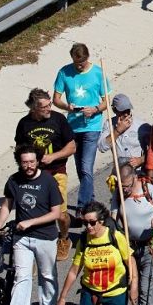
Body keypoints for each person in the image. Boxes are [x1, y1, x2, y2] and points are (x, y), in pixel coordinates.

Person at [0, 145, 64, 305]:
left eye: (32, 162)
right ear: (19, 162)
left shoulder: (48, 181)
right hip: (22, 238)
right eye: (24, 162)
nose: (28, 166)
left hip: (45, 237)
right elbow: (7, 203)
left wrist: (30, 222)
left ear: (38, 161)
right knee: (21, 276)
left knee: (47, 275)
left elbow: (56, 213)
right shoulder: (14, 180)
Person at [52, 42, 111, 211]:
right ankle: (90, 200)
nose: (79, 66)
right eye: (76, 62)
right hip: (72, 126)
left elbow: (106, 101)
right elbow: (56, 99)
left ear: (87, 58)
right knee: (81, 169)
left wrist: (95, 109)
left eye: (82, 62)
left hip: (91, 126)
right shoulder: (64, 72)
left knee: (86, 167)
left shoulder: (98, 74)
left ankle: (83, 207)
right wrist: (67, 107)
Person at [110, 166, 153, 305]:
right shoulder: (118, 194)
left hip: (149, 247)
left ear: (134, 178)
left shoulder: (150, 191)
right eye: (121, 185)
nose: (124, 189)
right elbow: (113, 218)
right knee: (132, 285)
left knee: (145, 288)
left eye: (126, 185)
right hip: (130, 249)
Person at [13, 88, 77, 232]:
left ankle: (64, 237)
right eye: (45, 106)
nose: (49, 108)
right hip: (34, 175)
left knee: (60, 214)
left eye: (50, 104)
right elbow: (19, 151)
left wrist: (52, 157)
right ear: (35, 108)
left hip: (57, 172)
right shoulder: (24, 124)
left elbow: (72, 147)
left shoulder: (59, 119)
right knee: (36, 210)